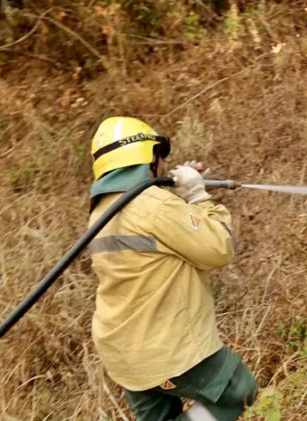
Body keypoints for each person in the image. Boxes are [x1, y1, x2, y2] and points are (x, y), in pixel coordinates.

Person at [87, 116, 257, 421]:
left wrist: (180, 202)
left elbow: (159, 241)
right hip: (166, 351)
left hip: (124, 355)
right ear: (148, 158)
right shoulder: (154, 206)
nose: (163, 166)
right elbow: (219, 248)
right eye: (160, 158)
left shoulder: (102, 211)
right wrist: (198, 196)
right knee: (238, 389)